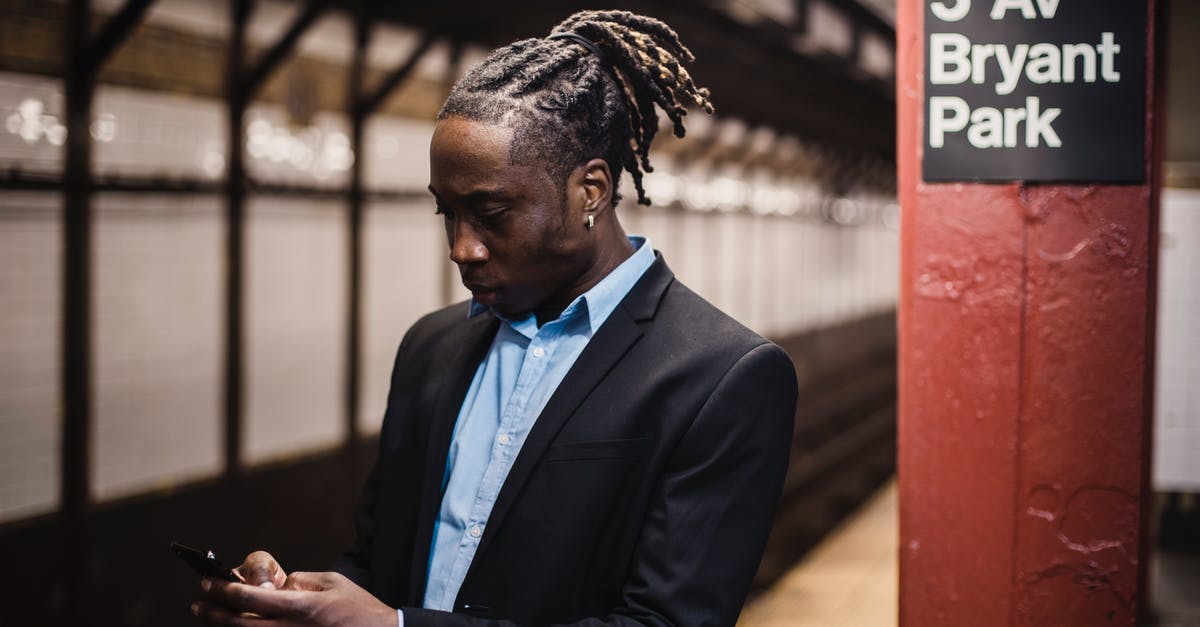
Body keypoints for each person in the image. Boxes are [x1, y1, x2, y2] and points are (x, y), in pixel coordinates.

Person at [194, 10, 797, 627]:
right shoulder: (432, 348)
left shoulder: (723, 377)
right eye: (446, 214)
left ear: (589, 191)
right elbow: (382, 564)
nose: (462, 248)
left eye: (492, 213)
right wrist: (298, 602)